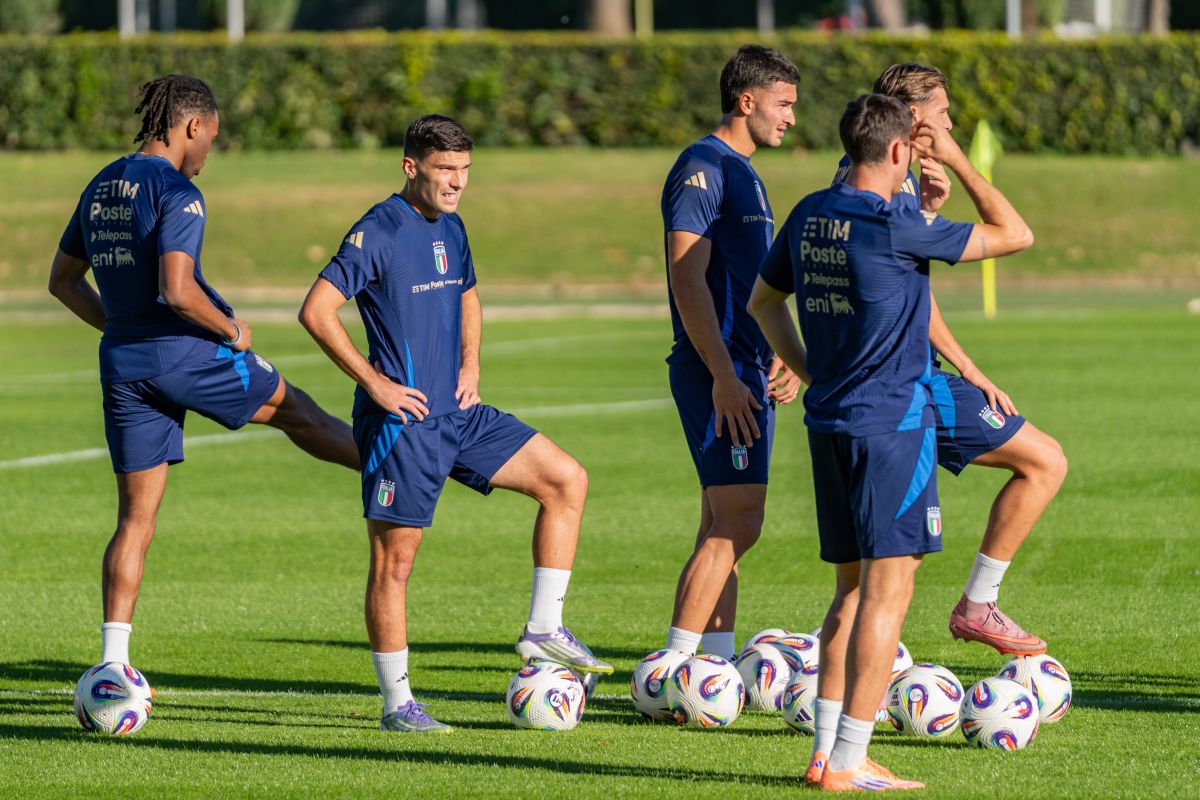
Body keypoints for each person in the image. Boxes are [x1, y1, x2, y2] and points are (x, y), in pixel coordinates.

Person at [748, 94, 1033, 790]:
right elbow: (1015, 232)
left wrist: (815, 372)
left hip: (831, 421)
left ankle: (824, 754)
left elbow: (763, 302)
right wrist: (953, 167)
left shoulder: (811, 211)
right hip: (893, 428)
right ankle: (850, 760)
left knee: (848, 593)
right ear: (902, 150)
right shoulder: (897, 223)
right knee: (887, 593)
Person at [298, 114, 613, 734]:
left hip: (461, 414)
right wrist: (375, 384)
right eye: (446, 170)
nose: (457, 183)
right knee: (395, 564)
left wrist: (472, 360)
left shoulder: (455, 227)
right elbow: (316, 310)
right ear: (411, 167)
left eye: (465, 171)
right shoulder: (379, 228)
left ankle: (543, 629)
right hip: (404, 425)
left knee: (565, 480)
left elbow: (467, 292)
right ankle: (398, 706)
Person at [47, 74, 361, 674]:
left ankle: (113, 665)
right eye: (211, 139)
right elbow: (178, 288)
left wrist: (120, 328)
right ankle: (394, 468)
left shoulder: (100, 184)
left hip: (123, 364)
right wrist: (230, 331)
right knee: (299, 412)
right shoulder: (177, 192)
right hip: (186, 354)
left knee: (135, 521)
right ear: (193, 126)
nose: (208, 155)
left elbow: (62, 282)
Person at [834, 63, 1068, 656]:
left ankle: (833, 678)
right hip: (899, 387)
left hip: (889, 384)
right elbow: (1015, 233)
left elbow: (907, 288)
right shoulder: (882, 186)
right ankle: (975, 607)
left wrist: (969, 368)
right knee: (1043, 463)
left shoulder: (879, 180)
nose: (950, 122)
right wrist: (962, 163)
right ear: (913, 120)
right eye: (942, 112)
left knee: (868, 571)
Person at [658, 44, 807, 663]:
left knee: (723, 521)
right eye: (784, 104)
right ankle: (671, 669)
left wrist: (782, 353)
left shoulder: (746, 171)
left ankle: (710, 664)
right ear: (746, 102)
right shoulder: (704, 165)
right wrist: (722, 373)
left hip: (747, 366)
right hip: (717, 370)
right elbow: (686, 276)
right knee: (740, 522)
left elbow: (755, 285)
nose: (792, 118)